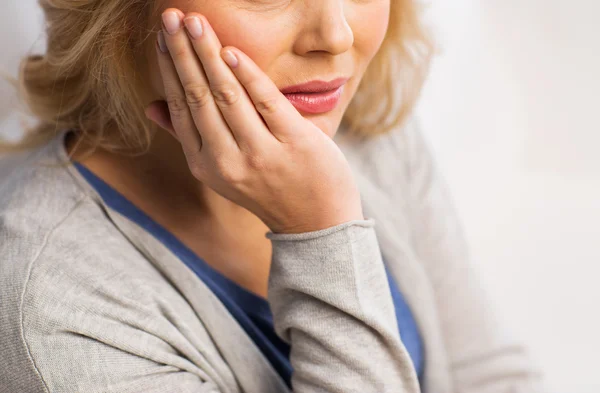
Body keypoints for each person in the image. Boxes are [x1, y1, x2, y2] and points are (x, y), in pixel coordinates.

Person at [0, 1, 545, 392]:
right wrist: (320, 232)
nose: (335, 34)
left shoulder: (358, 124)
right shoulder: (52, 308)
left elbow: (489, 374)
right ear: (115, 14)